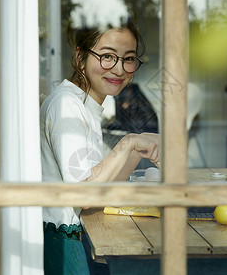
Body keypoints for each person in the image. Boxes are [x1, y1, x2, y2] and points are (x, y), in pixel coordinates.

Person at [40, 21, 160, 275]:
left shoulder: (85, 105)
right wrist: (128, 143)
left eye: (128, 59)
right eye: (107, 56)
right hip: (62, 242)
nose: (118, 69)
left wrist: (137, 148)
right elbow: (84, 195)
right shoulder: (66, 106)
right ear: (80, 57)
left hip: (83, 236)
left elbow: (101, 189)